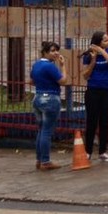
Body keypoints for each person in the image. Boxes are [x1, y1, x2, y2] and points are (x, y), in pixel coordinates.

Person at [81, 30, 108, 162]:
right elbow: (85, 75)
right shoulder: (88, 55)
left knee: (104, 122)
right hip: (92, 91)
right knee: (91, 122)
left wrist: (103, 51)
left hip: (106, 91)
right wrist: (93, 60)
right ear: (98, 42)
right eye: (105, 40)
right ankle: (88, 151)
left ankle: (103, 151)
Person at [30, 41, 67, 170]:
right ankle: (45, 161)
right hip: (50, 99)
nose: (56, 53)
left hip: (38, 97)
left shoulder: (36, 65)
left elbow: (31, 81)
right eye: (52, 50)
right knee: (46, 131)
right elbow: (63, 80)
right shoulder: (50, 66)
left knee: (41, 130)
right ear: (45, 52)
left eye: (57, 50)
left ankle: (39, 160)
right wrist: (62, 66)